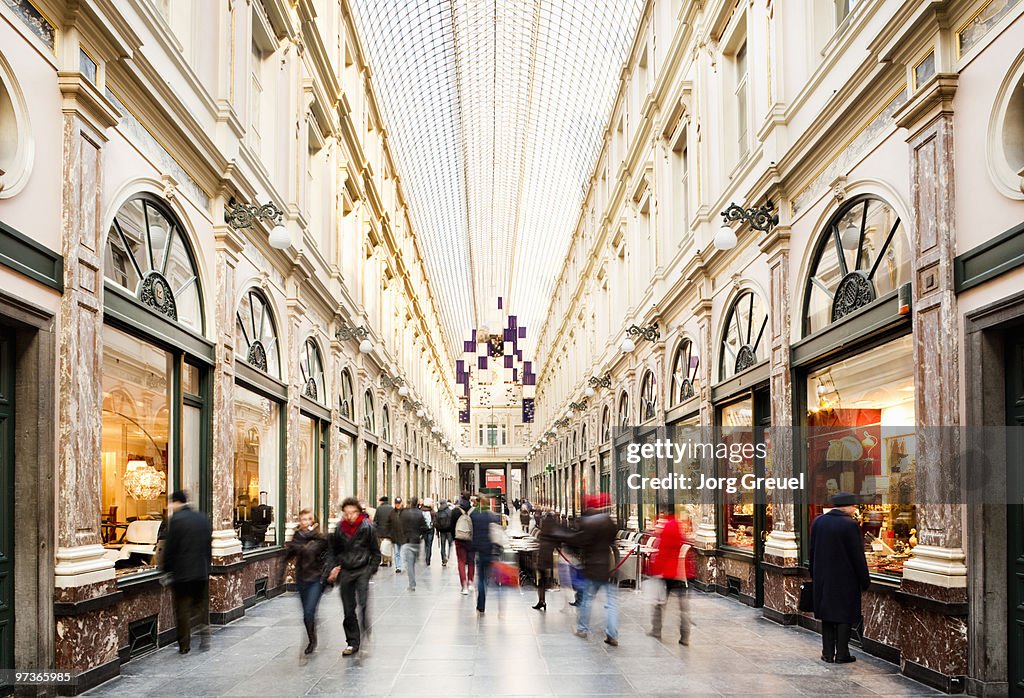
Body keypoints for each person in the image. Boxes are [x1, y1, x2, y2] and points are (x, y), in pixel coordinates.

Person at [810, 492, 870, 664]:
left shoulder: (818, 521)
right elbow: (857, 555)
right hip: (845, 578)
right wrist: (864, 579)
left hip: (823, 577)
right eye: (853, 506)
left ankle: (827, 653)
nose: (854, 510)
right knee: (844, 615)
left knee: (827, 615)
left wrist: (814, 574)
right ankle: (842, 653)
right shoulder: (849, 525)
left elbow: (812, 551)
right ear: (847, 506)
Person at [326, 497, 381, 657]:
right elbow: (333, 552)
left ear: (359, 512)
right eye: (347, 513)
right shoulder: (339, 529)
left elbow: (375, 552)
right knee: (348, 609)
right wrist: (333, 568)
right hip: (346, 572)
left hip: (363, 570)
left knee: (362, 603)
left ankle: (364, 624)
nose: (350, 516)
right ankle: (352, 642)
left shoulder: (367, 527)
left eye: (353, 512)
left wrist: (371, 569)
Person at [161, 490, 212, 655]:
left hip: (182, 574)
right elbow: (207, 545)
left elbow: (170, 548)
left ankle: (184, 645)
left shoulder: (176, 520)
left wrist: (166, 569)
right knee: (201, 606)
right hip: (201, 570)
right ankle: (205, 635)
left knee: (182, 610)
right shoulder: (202, 518)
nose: (171, 507)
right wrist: (207, 566)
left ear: (177, 502)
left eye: (171, 503)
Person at [571, 494, 619, 646]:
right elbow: (613, 540)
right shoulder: (609, 521)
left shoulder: (587, 522)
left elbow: (581, 543)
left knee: (586, 600)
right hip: (608, 567)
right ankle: (612, 634)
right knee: (611, 603)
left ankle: (582, 628)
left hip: (592, 567)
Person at [285, 508, 328, 654]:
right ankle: (312, 637)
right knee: (306, 614)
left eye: (308, 519)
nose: (306, 522)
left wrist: (328, 575)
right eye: (303, 519)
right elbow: (288, 555)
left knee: (309, 611)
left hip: (316, 579)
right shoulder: (297, 537)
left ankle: (311, 642)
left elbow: (328, 556)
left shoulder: (320, 538)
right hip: (302, 579)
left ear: (313, 521)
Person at [647, 513, 694, 645]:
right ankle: (685, 635)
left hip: (668, 572)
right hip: (680, 572)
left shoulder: (668, 526)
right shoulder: (678, 525)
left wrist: (656, 570)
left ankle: (656, 630)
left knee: (660, 602)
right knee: (683, 606)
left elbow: (663, 551)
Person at [470, 495, 499, 613]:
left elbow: (471, 532)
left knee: (481, 578)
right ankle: (499, 606)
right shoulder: (493, 516)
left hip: (479, 550)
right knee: (492, 578)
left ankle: (481, 604)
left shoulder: (474, 515)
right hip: (491, 550)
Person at [399, 496, 429, 590]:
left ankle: (412, 584)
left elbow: (400, 525)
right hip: (416, 541)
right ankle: (412, 582)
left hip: (408, 541)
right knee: (413, 561)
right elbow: (425, 527)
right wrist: (420, 534)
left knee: (410, 564)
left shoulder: (404, 513)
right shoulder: (420, 514)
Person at [532, 511, 557, 611]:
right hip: (548, 559)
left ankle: (541, 600)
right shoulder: (552, 533)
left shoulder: (544, 533)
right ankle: (542, 600)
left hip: (542, 558)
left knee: (541, 581)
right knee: (544, 580)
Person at [453, 495, 475, 594]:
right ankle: (470, 581)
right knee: (471, 561)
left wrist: (454, 536)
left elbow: (451, 525)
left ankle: (464, 585)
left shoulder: (456, 511)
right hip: (471, 539)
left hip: (459, 539)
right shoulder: (474, 511)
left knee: (461, 561)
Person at [373, 496, 394, 568]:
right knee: (388, 545)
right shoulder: (391, 508)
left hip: (380, 531)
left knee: (381, 546)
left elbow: (375, 521)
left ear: (382, 502)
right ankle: (389, 559)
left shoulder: (379, 509)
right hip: (389, 531)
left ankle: (383, 561)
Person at [434, 499, 455, 567]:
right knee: (450, 544)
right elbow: (453, 521)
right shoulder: (450, 511)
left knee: (442, 545)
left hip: (442, 531)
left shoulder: (438, 512)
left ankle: (443, 559)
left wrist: (437, 530)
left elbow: (435, 522)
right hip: (449, 531)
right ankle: (448, 556)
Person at [389, 497, 405, 573]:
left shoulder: (405, 512)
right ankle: (398, 567)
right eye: (396, 503)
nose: (398, 505)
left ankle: (403, 566)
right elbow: (388, 523)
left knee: (402, 552)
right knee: (396, 552)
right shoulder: (392, 513)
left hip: (403, 535)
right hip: (395, 535)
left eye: (399, 503)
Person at [421, 498, 436, 566]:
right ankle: (428, 558)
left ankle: (426, 556)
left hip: (424, 529)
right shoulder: (432, 512)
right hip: (430, 529)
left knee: (426, 543)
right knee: (429, 544)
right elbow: (435, 521)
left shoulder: (422, 511)